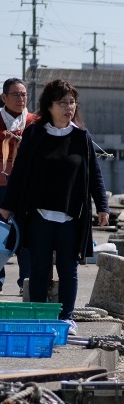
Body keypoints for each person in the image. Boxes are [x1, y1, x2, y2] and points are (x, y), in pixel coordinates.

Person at [0, 79, 109, 329]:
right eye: (62, 103)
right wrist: (7, 206)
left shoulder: (81, 137)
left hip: (71, 217)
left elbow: (95, 175)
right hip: (39, 215)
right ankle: (39, 316)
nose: (68, 107)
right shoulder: (36, 134)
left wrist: (103, 206)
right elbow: (20, 173)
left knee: (68, 269)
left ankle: (66, 317)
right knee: (38, 269)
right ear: (49, 106)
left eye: (71, 102)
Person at [0, 78, 37, 292]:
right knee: (0, 234)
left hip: (26, 187)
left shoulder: (35, 121)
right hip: (1, 185)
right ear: (4, 97)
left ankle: (27, 282)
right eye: (16, 94)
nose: (21, 99)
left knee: (27, 235)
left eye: (24, 94)